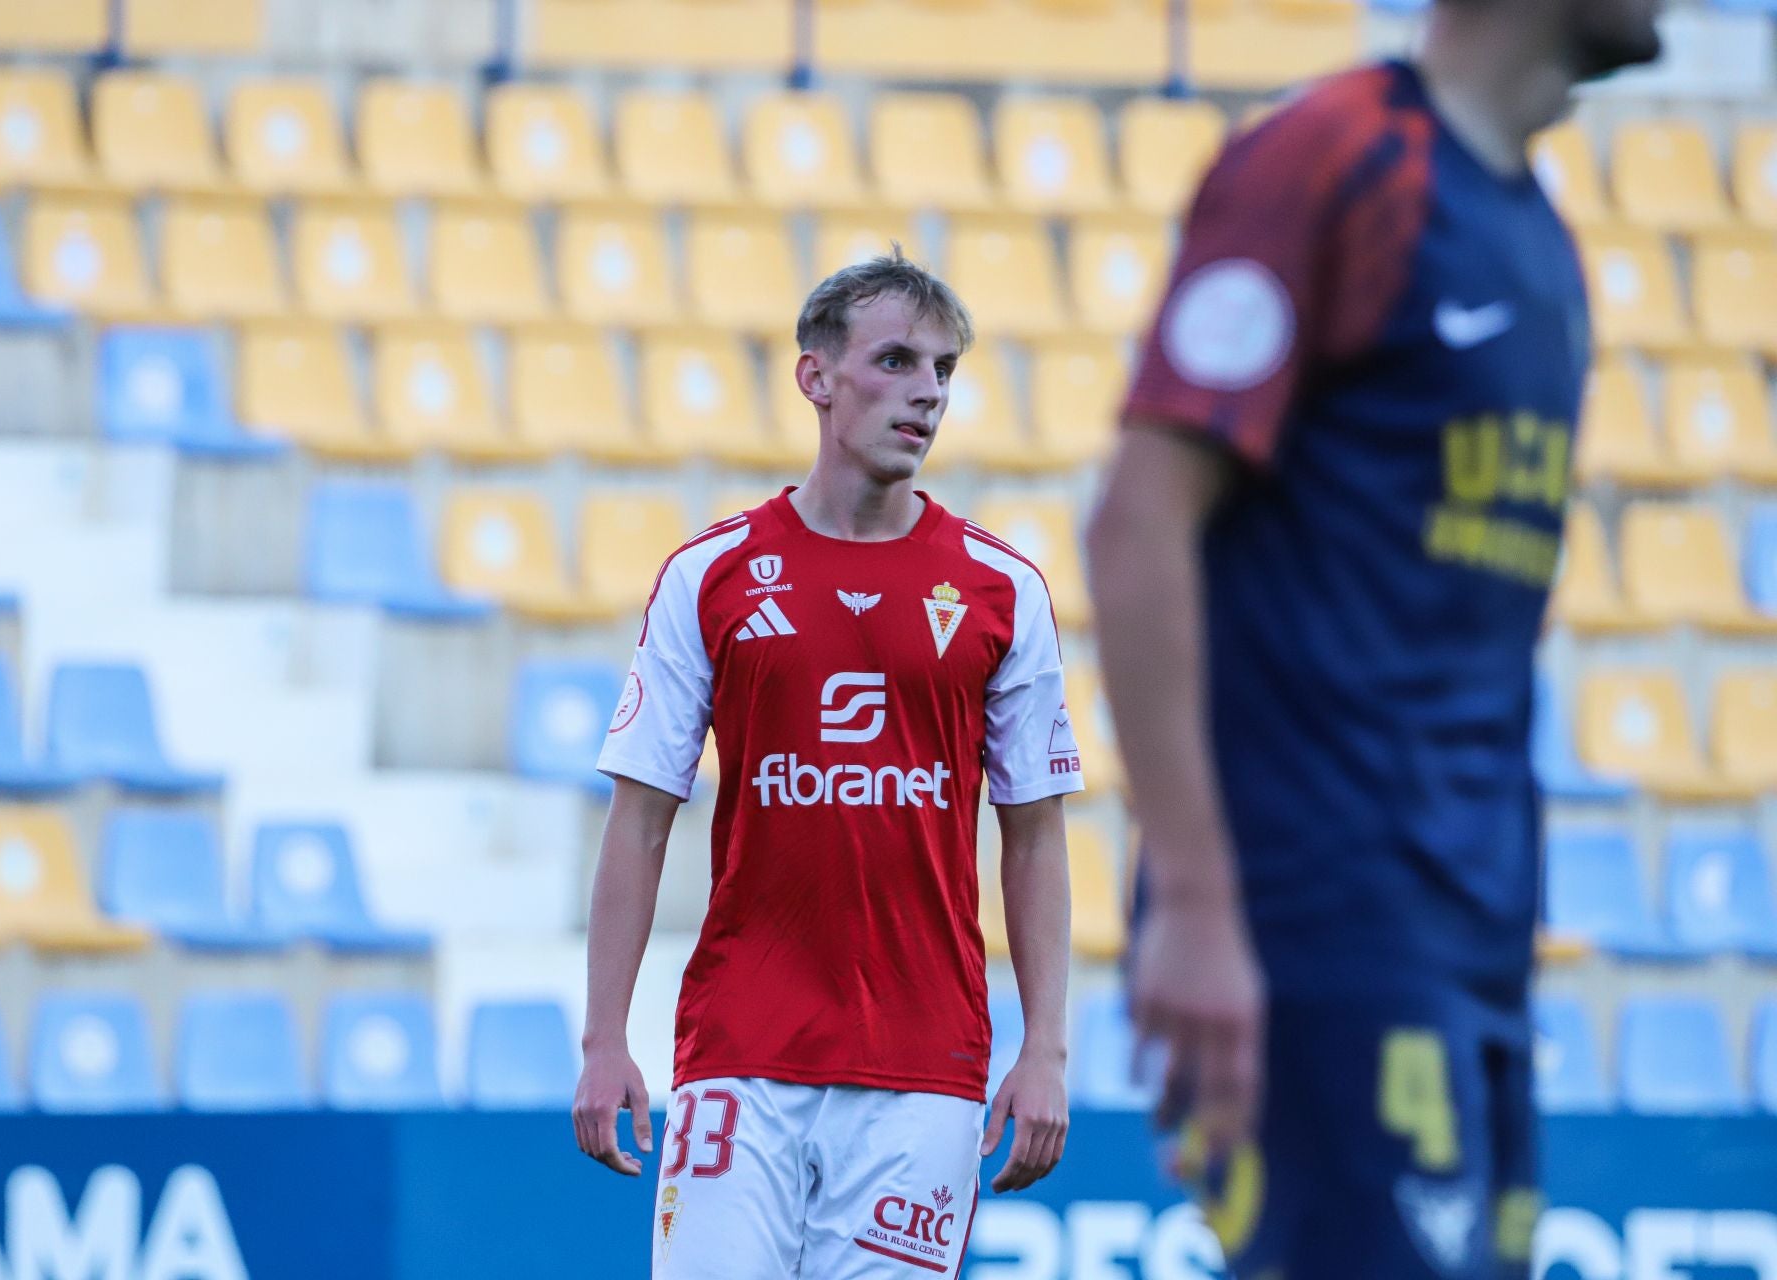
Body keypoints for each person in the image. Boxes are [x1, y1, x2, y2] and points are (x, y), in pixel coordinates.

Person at [1083, 1, 1663, 1276]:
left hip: (1474, 938)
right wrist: (1192, 900)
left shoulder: (1542, 240)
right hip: (1317, 925)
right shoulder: (1338, 161)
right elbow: (1138, 521)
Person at [574, 250, 1084, 1277]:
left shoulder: (1001, 591)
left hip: (925, 1066)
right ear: (816, 377)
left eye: (944, 368)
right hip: (738, 1053)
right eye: (896, 360)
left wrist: (1046, 1050)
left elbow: (1034, 833)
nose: (928, 391)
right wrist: (602, 1038)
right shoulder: (708, 577)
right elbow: (637, 818)